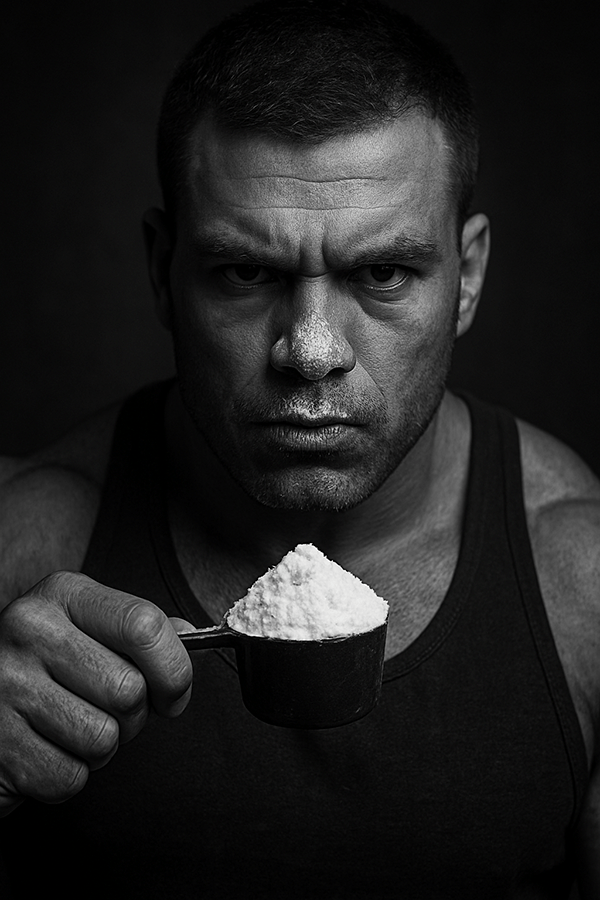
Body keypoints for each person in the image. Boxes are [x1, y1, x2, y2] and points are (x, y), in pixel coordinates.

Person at [0, 0, 598, 896]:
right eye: (247, 273)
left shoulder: (581, 578)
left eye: (382, 273)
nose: (311, 351)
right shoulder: (25, 546)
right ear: (164, 270)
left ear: (466, 278)